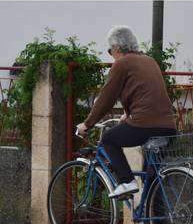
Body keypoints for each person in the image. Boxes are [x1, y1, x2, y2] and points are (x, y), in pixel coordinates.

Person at [75, 26, 177, 199]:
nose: (111, 54)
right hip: (168, 126)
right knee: (153, 179)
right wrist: (129, 114)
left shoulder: (121, 63)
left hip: (145, 125)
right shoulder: (149, 60)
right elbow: (145, 92)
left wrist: (87, 123)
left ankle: (127, 181)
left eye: (110, 50)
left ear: (117, 48)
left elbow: (106, 98)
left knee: (108, 139)